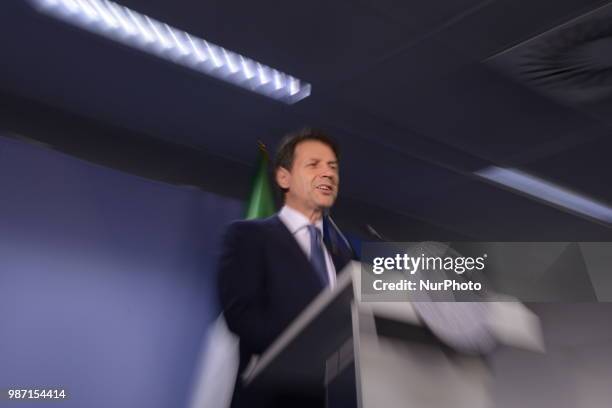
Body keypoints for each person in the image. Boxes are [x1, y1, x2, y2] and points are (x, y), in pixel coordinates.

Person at [217, 128, 353, 408]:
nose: (328, 174)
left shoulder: (345, 259)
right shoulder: (248, 237)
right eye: (314, 165)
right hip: (270, 399)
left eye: (333, 167)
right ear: (284, 177)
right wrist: (315, 347)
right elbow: (241, 317)